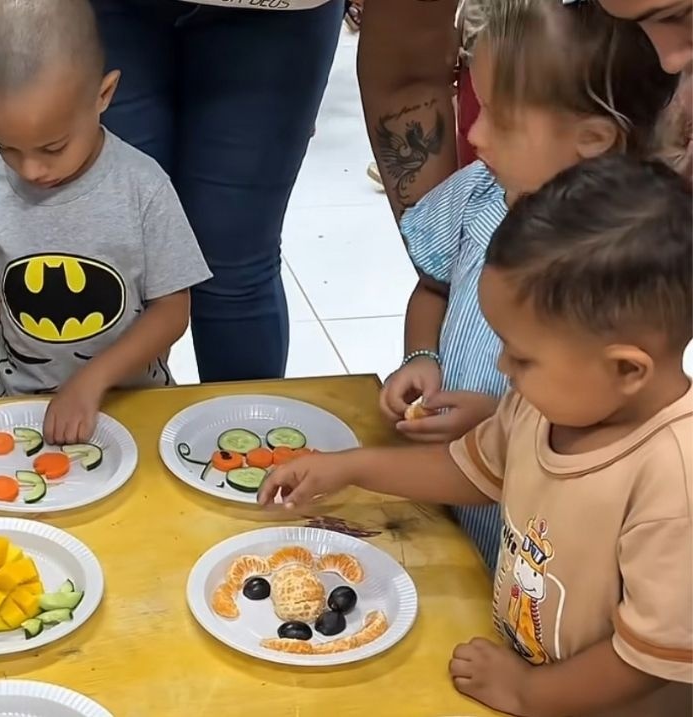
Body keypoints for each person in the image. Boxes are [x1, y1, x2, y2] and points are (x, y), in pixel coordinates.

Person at [261, 154, 693, 717]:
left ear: (627, 369)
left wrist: (530, 693)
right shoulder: (547, 406)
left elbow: (647, 657)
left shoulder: (674, 480)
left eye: (524, 356)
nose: (503, 368)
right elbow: (471, 470)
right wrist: (348, 466)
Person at [378, 0, 678, 570]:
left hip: (545, 541)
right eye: (478, 105)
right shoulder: (478, 194)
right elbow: (433, 288)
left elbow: (633, 418)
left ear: (594, 138)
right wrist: (421, 357)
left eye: (502, 118)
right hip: (455, 489)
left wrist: (499, 421)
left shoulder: (628, 259)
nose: (474, 133)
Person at [0, 0, 212, 445]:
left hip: (134, 406)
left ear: (103, 94)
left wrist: (92, 381)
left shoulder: (142, 188)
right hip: (25, 410)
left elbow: (172, 311)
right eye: (6, 147)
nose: (32, 170)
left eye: (53, 147)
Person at [91, 0, 344, 383]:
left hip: (277, 13)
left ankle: (248, 437)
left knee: (232, 266)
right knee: (115, 256)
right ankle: (101, 438)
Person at [359, 0, 692, 223]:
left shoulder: (645, 250)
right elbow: (405, 70)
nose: (671, 61)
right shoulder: (471, 203)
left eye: (680, 13)